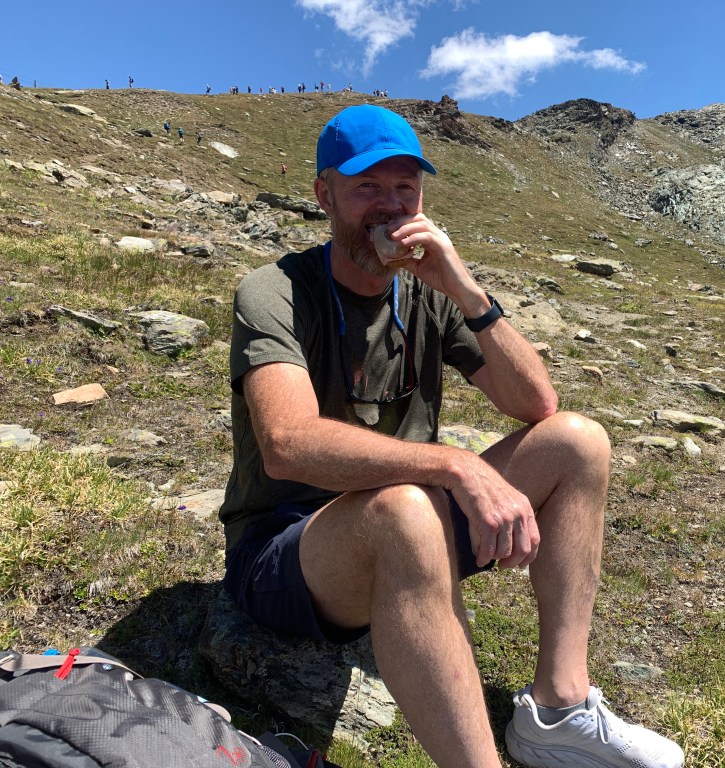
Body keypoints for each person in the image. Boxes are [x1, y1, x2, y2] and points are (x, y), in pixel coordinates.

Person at [219, 105, 684, 768]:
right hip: (285, 552)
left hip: (407, 520)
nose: (390, 206)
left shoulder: (428, 293)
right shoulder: (276, 291)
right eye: (367, 187)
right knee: (404, 510)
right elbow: (287, 444)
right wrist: (454, 465)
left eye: (405, 187)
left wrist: (464, 289)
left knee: (577, 442)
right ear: (325, 195)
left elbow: (535, 403)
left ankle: (558, 709)